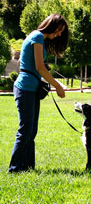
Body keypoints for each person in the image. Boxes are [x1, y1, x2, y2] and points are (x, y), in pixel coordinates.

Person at [8, 14, 69, 173]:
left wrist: (40, 66)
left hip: (31, 89)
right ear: (52, 24)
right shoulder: (37, 36)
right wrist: (57, 86)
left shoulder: (38, 38)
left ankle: (28, 168)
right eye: (59, 30)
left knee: (31, 130)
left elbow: (24, 62)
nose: (60, 33)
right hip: (25, 88)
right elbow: (39, 68)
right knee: (25, 129)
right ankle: (14, 169)